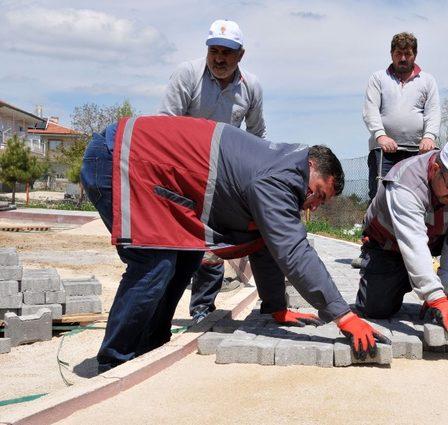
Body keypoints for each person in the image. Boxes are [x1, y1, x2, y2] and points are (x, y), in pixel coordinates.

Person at [80, 115, 389, 372]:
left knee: (185, 256)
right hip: (119, 158)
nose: (313, 205)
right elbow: (293, 251)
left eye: (321, 202)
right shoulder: (280, 176)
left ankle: (150, 344)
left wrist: (276, 307)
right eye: (318, 193)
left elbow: (266, 244)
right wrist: (343, 314)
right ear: (310, 165)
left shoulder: (280, 165)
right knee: (154, 263)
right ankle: (115, 362)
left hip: (145, 167)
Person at [158, 19, 266, 322]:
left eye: (227, 53)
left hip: (220, 174)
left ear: (240, 55)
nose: (219, 58)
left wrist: (253, 177)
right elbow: (165, 124)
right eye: (214, 51)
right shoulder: (187, 74)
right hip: (180, 169)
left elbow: (256, 134)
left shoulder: (251, 87)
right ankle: (159, 311)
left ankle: (202, 309)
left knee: (212, 245)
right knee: (171, 241)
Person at [355, 139, 448, 336]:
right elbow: (413, 243)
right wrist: (434, 295)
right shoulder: (405, 183)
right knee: (376, 309)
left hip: (433, 238)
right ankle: (399, 276)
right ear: (435, 169)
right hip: (390, 246)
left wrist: (445, 292)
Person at [362, 31, 441, 201]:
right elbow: (371, 110)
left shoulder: (427, 81)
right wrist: (381, 135)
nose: (403, 58)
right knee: (379, 197)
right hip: (383, 152)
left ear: (415, 55)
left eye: (408, 54)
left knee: (419, 197)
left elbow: (433, 111)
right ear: (392, 54)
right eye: (399, 54)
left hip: (418, 151)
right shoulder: (378, 78)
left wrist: (429, 137)